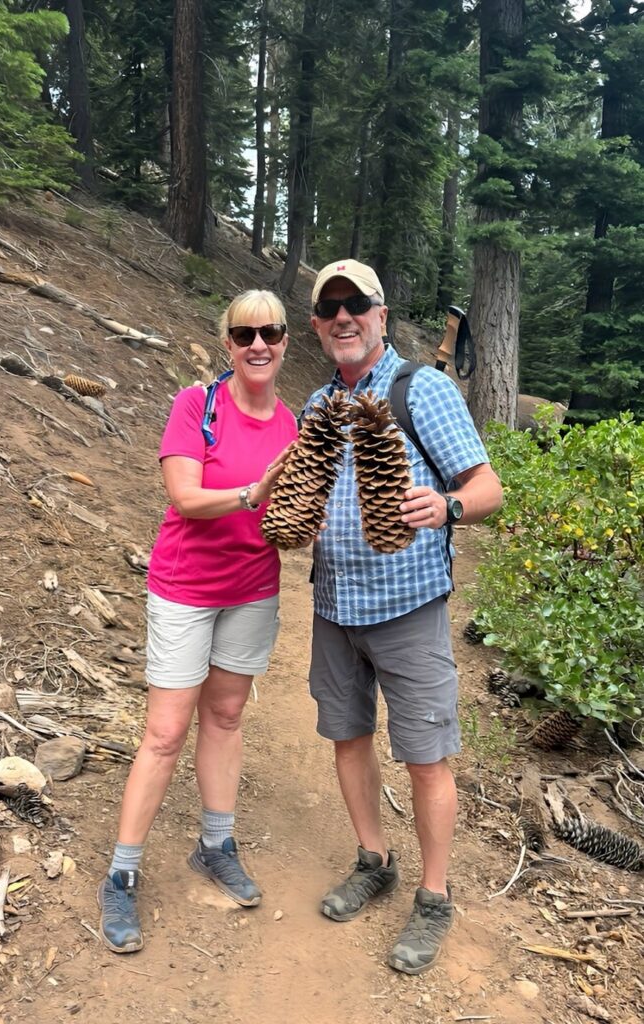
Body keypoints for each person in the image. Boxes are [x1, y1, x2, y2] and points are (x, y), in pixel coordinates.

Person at [306, 259, 503, 975]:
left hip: (410, 608)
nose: (343, 318)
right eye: (330, 309)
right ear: (318, 325)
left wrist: (446, 506)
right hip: (333, 608)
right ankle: (374, 860)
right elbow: (307, 490)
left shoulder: (424, 390)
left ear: (380, 315)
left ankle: (434, 896)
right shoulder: (317, 406)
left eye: (356, 304)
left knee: (425, 758)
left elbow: (488, 488)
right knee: (348, 738)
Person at [98, 289, 298, 954]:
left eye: (270, 332)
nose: (258, 345)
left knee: (227, 715)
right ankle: (122, 872)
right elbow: (183, 497)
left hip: (252, 588)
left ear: (286, 339)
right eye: (245, 335)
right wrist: (252, 492)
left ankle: (215, 845)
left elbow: (292, 515)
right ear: (228, 344)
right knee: (164, 730)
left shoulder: (292, 424)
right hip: (186, 587)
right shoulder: (198, 405)